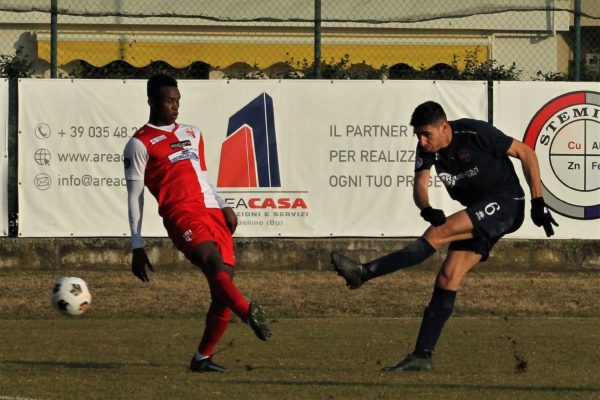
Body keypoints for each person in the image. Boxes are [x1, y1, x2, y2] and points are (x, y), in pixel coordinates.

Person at [331, 100, 557, 372]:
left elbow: (526, 152)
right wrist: (426, 209)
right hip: (479, 212)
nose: (422, 141)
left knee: (438, 234)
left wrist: (537, 201)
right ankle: (422, 356)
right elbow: (420, 186)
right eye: (418, 135)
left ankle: (364, 272)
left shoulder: (474, 133)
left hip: (507, 202)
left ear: (444, 127)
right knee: (448, 276)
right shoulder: (427, 150)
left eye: (427, 134)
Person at [123, 74, 271, 373]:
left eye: (178, 100)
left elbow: (201, 176)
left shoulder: (192, 132)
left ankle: (202, 357)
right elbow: (134, 197)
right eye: (169, 101)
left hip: (211, 211)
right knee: (212, 263)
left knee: (222, 288)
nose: (175, 106)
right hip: (181, 213)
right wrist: (137, 246)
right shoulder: (139, 143)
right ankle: (248, 313)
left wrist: (224, 203)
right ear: (152, 101)